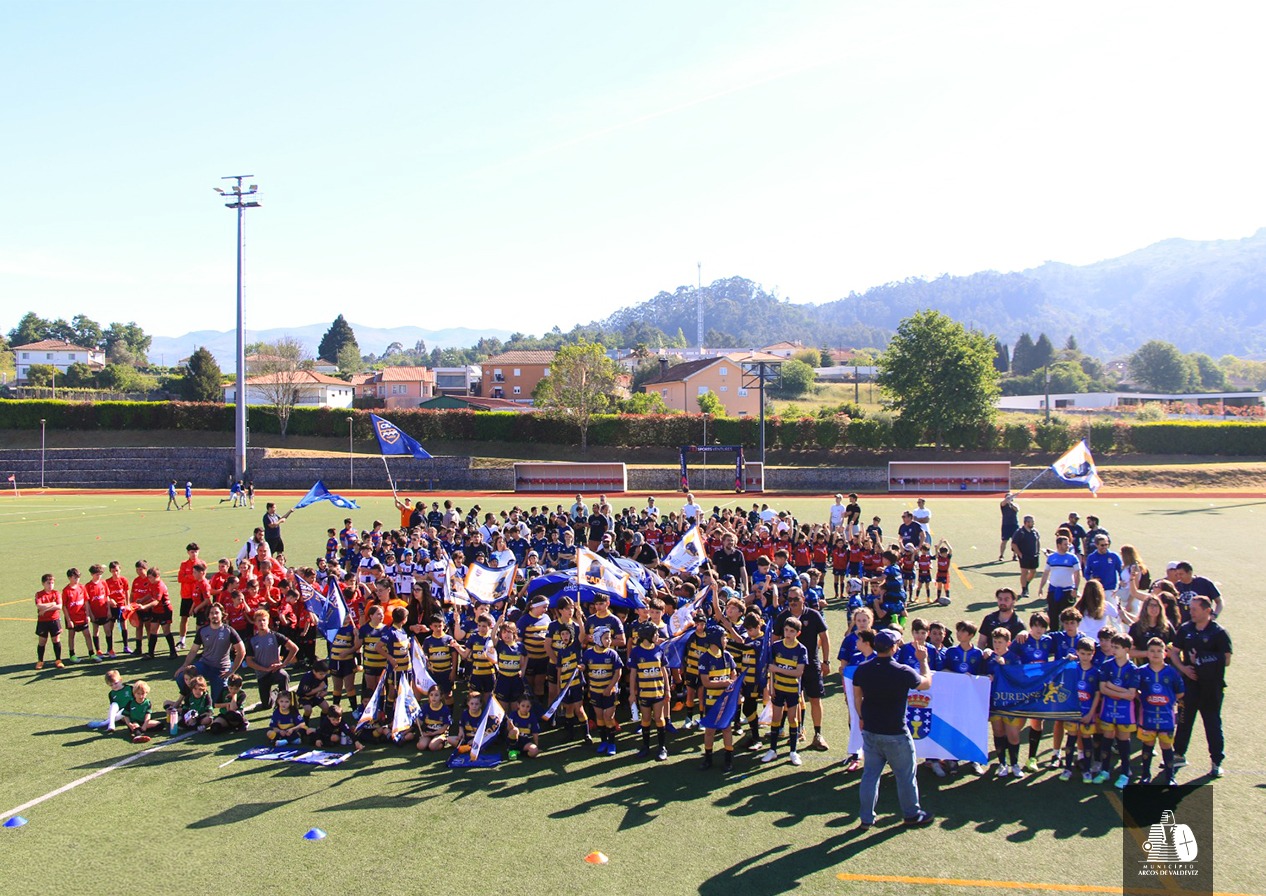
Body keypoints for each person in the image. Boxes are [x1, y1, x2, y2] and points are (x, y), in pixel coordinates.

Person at [852, 629, 934, 830]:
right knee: (905, 776)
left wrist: (862, 717)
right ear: (893, 647)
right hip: (896, 733)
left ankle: (866, 818)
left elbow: (857, 697)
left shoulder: (862, 669)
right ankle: (912, 814)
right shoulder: (902, 671)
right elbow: (926, 683)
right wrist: (923, 661)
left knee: (870, 775)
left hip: (871, 731)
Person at [1168, 595, 1232, 778]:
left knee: (1212, 723)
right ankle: (1179, 754)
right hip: (1190, 685)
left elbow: (1226, 660)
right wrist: (1184, 669)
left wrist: (1202, 659)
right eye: (1191, 608)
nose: (1191, 612)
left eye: (1195, 609)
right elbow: (1174, 653)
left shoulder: (1219, 633)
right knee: (1184, 720)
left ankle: (1216, 762)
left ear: (1207, 611)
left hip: (1211, 687)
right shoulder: (1186, 629)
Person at [773, 588, 831, 750]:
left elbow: (824, 639)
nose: (792, 602)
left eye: (795, 599)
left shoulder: (813, 615)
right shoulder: (783, 616)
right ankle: (798, 730)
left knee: (815, 699)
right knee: (793, 699)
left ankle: (818, 734)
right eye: (789, 599)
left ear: (803, 598)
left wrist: (826, 661)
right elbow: (774, 640)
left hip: (811, 664)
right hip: (789, 667)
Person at [1136, 637, 1185, 785]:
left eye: (1159, 651)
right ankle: (1145, 775)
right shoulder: (1141, 672)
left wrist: (1169, 701)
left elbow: (1180, 692)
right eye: (1152, 651)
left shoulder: (1171, 672)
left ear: (1165, 653)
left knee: (1166, 745)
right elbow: (1134, 690)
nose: (1155, 654)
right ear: (1147, 654)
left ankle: (1170, 777)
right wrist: (1143, 699)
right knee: (1148, 744)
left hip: (1166, 716)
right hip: (1148, 715)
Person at [173, 604, 245, 703]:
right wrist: (184, 666)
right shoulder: (203, 631)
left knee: (217, 701)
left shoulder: (229, 631)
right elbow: (194, 650)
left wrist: (232, 671)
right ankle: (191, 702)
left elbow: (242, 651)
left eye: (217, 613)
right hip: (204, 665)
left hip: (221, 670)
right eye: (211, 613)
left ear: (222, 615)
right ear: (208, 615)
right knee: (181, 677)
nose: (214, 615)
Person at [762, 617, 808, 767]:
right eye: (786, 630)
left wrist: (777, 669)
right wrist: (771, 686)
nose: (788, 633)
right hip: (778, 689)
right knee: (775, 718)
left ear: (798, 633)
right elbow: (771, 668)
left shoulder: (801, 649)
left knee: (792, 719)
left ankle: (793, 751)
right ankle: (772, 750)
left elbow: (798, 672)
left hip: (793, 690)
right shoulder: (776, 647)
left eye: (792, 631)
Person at [697, 627, 738, 771]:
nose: (726, 640)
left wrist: (732, 681)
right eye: (723, 637)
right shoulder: (705, 658)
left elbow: (734, 674)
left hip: (725, 701)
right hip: (711, 702)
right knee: (710, 731)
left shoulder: (727, 656)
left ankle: (728, 758)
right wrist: (725, 683)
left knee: (727, 729)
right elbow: (706, 682)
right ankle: (708, 757)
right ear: (715, 640)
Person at [245, 609, 299, 709]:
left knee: (284, 676)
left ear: (268, 621)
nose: (261, 623)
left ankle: (286, 699)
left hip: (275, 670)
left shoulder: (275, 636)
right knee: (267, 705)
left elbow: (294, 648)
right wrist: (264, 669)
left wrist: (283, 664)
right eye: (259, 620)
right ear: (255, 623)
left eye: (263, 620)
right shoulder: (252, 640)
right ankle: (275, 693)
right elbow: (249, 661)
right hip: (262, 674)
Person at [1037, 535, 1081, 623]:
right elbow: (1046, 573)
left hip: (1068, 591)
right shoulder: (1051, 558)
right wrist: (1041, 587)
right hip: (1053, 590)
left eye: (1068, 544)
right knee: (1052, 613)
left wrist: (1075, 588)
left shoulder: (1073, 558)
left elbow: (1078, 574)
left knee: (1067, 615)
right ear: (1059, 545)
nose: (1068, 546)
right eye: (1065, 544)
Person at [1010, 516, 1041, 598]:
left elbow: (1037, 541)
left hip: (1034, 555)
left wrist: (1038, 551)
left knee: (1033, 572)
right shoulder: (1020, 532)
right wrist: (1019, 554)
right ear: (1026, 522)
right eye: (1031, 522)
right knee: (1024, 572)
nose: (1033, 523)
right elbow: (1014, 544)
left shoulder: (1035, 531)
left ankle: (1026, 583)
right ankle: (1024, 589)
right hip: (1025, 556)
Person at [998, 493, 1019, 562]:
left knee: (1015, 541)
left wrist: (1011, 503)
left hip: (1014, 525)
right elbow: (1004, 502)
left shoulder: (1015, 505)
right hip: (1006, 525)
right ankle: (1001, 555)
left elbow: (1016, 509)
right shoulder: (1003, 505)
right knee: (1004, 541)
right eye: (1008, 497)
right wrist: (1009, 498)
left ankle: (1014, 555)